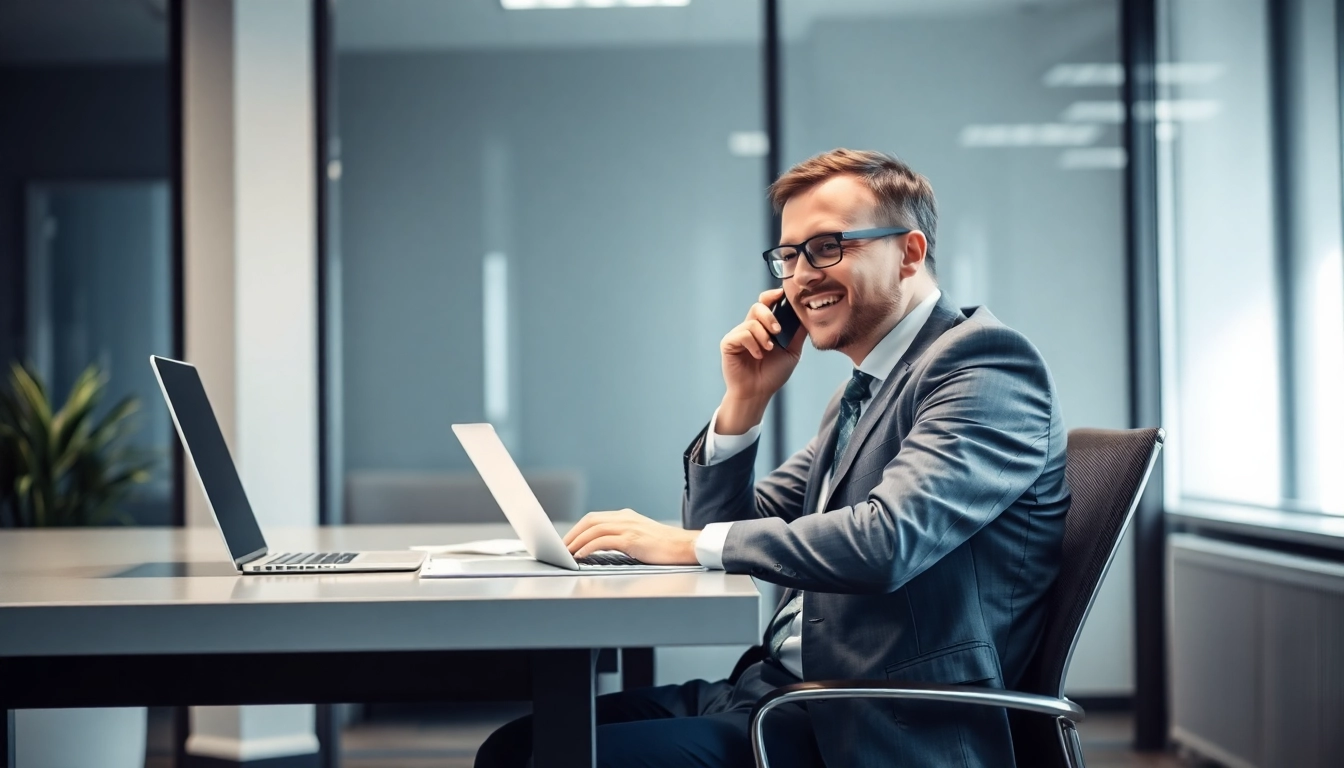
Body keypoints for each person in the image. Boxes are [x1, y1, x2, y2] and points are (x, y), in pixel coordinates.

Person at [475, 148, 1069, 768]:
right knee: (518, 746)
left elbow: (886, 541)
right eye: (789, 255)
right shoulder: (866, 389)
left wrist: (686, 547)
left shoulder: (983, 364)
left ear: (910, 253)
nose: (800, 275)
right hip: (773, 692)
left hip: (871, 720)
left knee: (532, 761)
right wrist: (744, 400)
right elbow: (723, 522)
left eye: (828, 247)